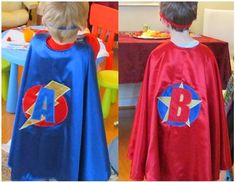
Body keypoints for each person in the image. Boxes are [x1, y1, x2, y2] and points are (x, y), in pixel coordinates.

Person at [128, 2, 232, 181]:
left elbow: (148, 110)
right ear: (193, 18)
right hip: (198, 145)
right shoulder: (207, 57)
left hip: (165, 140)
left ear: (163, 19)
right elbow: (214, 109)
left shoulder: (158, 56)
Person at [8, 2, 110, 180]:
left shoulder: (36, 42)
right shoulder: (86, 49)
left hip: (38, 117)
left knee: (40, 145)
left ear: (46, 21)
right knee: (66, 142)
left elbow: (41, 36)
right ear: (81, 23)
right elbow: (91, 41)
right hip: (69, 121)